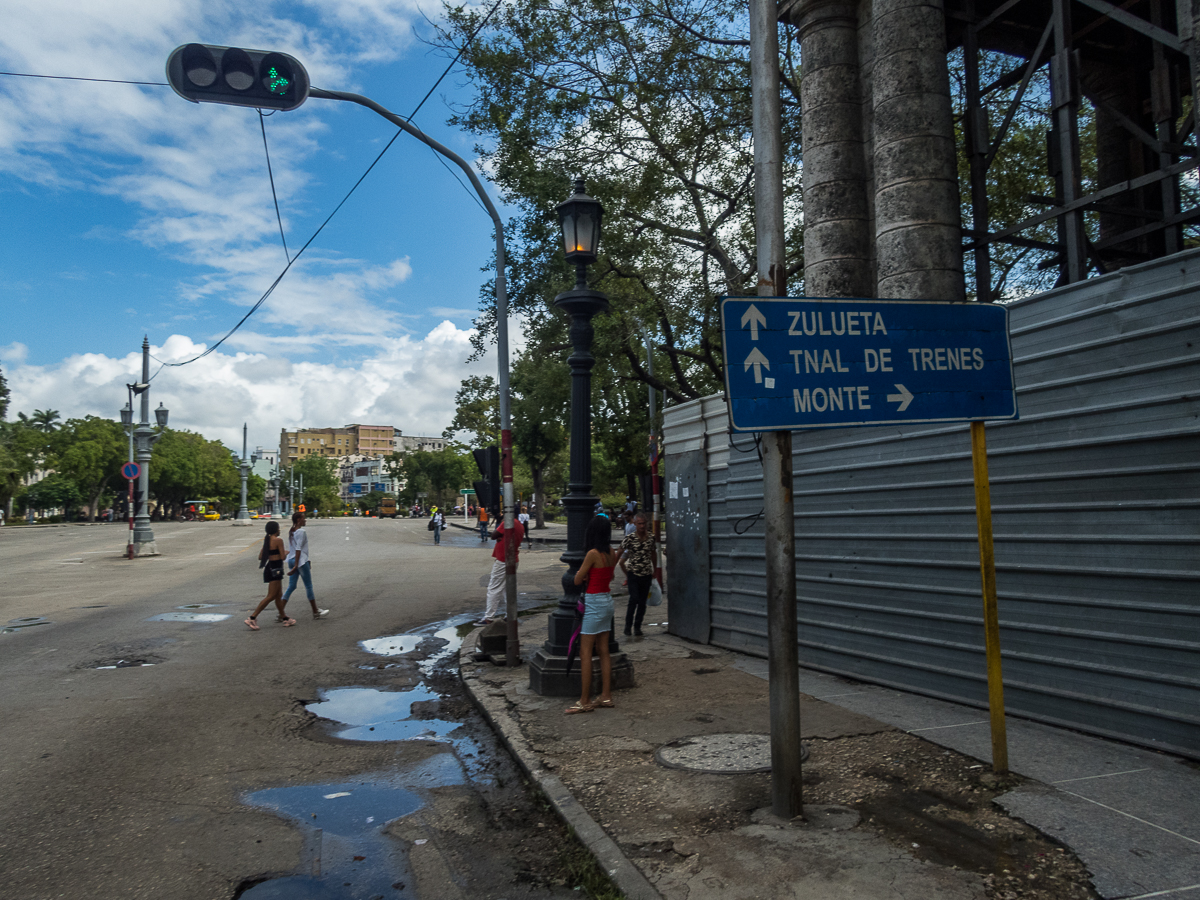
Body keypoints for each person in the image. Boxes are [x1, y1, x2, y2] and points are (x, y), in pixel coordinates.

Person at [567, 515, 622, 713]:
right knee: (604, 650)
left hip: (593, 603)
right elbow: (611, 575)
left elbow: (576, 579)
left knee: (585, 653)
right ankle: (606, 696)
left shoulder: (592, 554)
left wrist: (584, 575)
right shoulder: (611, 552)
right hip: (607, 601)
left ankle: (584, 700)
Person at [476, 514, 526, 625]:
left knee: (494, 587)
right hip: (513, 557)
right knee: (508, 589)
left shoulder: (507, 523)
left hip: (503, 558)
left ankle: (489, 617)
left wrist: (499, 534)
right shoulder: (519, 525)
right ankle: (510, 615)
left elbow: (494, 535)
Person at [246, 521, 295, 629]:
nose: (279, 530)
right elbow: (282, 557)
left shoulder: (267, 540)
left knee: (278, 595)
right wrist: (285, 553)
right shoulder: (278, 540)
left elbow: (260, 556)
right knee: (271, 596)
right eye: (278, 528)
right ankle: (252, 617)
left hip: (270, 567)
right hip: (276, 569)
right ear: (275, 530)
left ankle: (285, 618)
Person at [620, 512, 661, 637]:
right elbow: (620, 552)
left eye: (644, 523)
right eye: (639, 524)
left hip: (646, 573)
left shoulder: (651, 538)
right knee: (634, 599)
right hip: (633, 573)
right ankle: (628, 626)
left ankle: (637, 627)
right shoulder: (630, 538)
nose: (642, 526)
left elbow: (653, 553)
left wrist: (654, 570)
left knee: (642, 602)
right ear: (635, 524)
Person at [282, 511, 329, 620]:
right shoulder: (301, 531)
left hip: (292, 560)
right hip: (300, 561)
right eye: (303, 518)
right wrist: (297, 565)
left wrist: (295, 564)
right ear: (298, 520)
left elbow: (295, 549)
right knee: (308, 586)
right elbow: (298, 549)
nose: (305, 520)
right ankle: (315, 611)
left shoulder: (292, 531)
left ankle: (281, 611)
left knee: (291, 586)